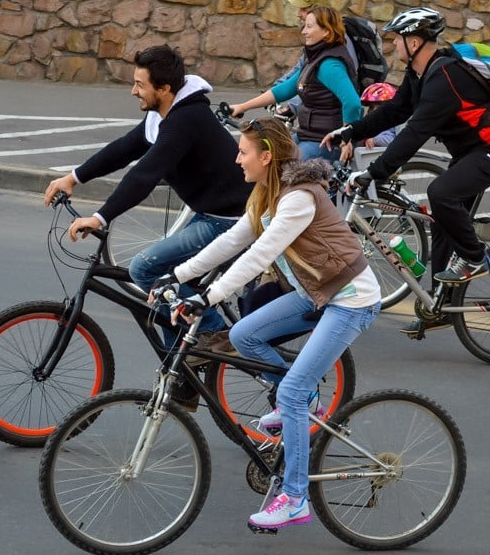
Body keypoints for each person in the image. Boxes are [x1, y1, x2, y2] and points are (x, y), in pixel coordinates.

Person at [157, 117, 380, 531]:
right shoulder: (266, 195)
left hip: (350, 299)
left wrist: (209, 296)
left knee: (292, 394)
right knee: (244, 335)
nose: (237, 159)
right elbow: (230, 242)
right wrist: (179, 275)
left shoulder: (297, 198)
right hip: (316, 292)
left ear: (266, 156)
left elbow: (259, 255)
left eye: (243, 152)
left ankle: (294, 498)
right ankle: (302, 400)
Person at [43, 45, 251, 370]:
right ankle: (184, 376)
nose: (133, 90)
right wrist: (73, 177)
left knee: (145, 270)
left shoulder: (185, 120)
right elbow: (125, 148)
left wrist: (100, 217)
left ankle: (214, 333)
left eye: (140, 84)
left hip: (228, 220)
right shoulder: (164, 113)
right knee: (166, 296)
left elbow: (144, 175)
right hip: (212, 211)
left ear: (164, 89)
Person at [322, 7, 490, 336]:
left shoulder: (445, 78)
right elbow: (395, 111)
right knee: (442, 223)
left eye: (397, 40)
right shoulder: (420, 74)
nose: (393, 47)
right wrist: (351, 131)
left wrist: (374, 172)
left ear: (414, 42)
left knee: (441, 192)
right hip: (471, 152)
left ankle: (473, 258)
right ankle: (441, 308)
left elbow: (414, 133)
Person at [229, 6, 361, 163]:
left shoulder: (329, 65)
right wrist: (243, 107)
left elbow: (352, 103)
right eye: (304, 25)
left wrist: (346, 140)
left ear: (326, 31)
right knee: (270, 156)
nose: (304, 31)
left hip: (326, 141)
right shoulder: (315, 59)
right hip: (307, 134)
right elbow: (284, 90)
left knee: (283, 167)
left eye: (309, 27)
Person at [271, 0, 359, 120]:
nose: (298, 13)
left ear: (318, 11)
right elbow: (301, 70)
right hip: (313, 118)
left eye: (304, 9)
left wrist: (293, 106)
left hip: (330, 121)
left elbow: (317, 82)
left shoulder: (340, 43)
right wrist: (276, 87)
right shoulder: (316, 43)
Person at [357, 82, 398, 149]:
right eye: (371, 107)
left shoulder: (390, 123)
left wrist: (374, 139)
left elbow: (392, 139)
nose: (373, 111)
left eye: (378, 108)